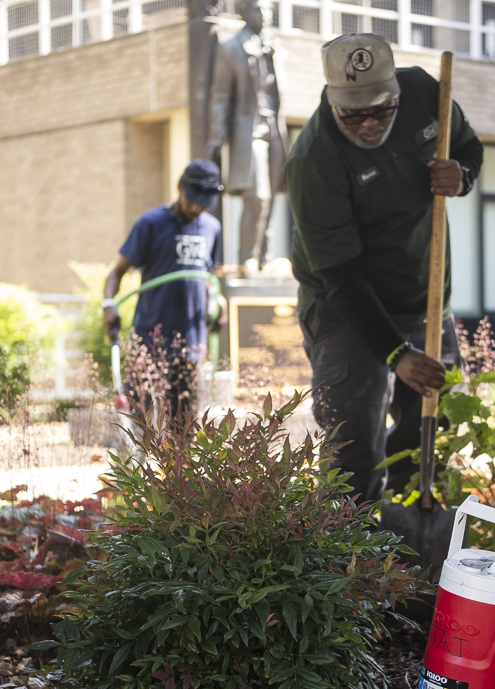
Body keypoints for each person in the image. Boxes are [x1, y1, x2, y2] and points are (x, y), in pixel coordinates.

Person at [285, 33, 484, 503]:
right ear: (332, 100)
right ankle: (346, 544)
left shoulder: (424, 92)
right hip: (344, 309)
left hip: (422, 298)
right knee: (353, 447)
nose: (370, 124)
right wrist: (397, 354)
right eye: (353, 114)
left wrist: (462, 176)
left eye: (381, 109)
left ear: (396, 90)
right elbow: (341, 277)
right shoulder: (313, 160)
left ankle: (406, 539)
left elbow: (469, 146)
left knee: (431, 434)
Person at [102, 159, 224, 419]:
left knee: (186, 425)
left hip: (192, 343)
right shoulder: (151, 223)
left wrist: (218, 300)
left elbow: (208, 275)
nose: (196, 208)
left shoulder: (212, 228)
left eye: (203, 203)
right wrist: (108, 304)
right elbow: (116, 272)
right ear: (180, 186)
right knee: (144, 422)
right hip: (151, 340)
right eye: (192, 200)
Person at [206, 0, 288, 271]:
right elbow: (221, 95)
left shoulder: (275, 47)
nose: (264, 15)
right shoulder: (231, 47)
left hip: (275, 129)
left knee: (272, 197)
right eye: (257, 8)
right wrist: (217, 135)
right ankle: (247, 259)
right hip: (249, 130)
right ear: (243, 11)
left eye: (268, 9)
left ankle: (265, 260)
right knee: (258, 196)